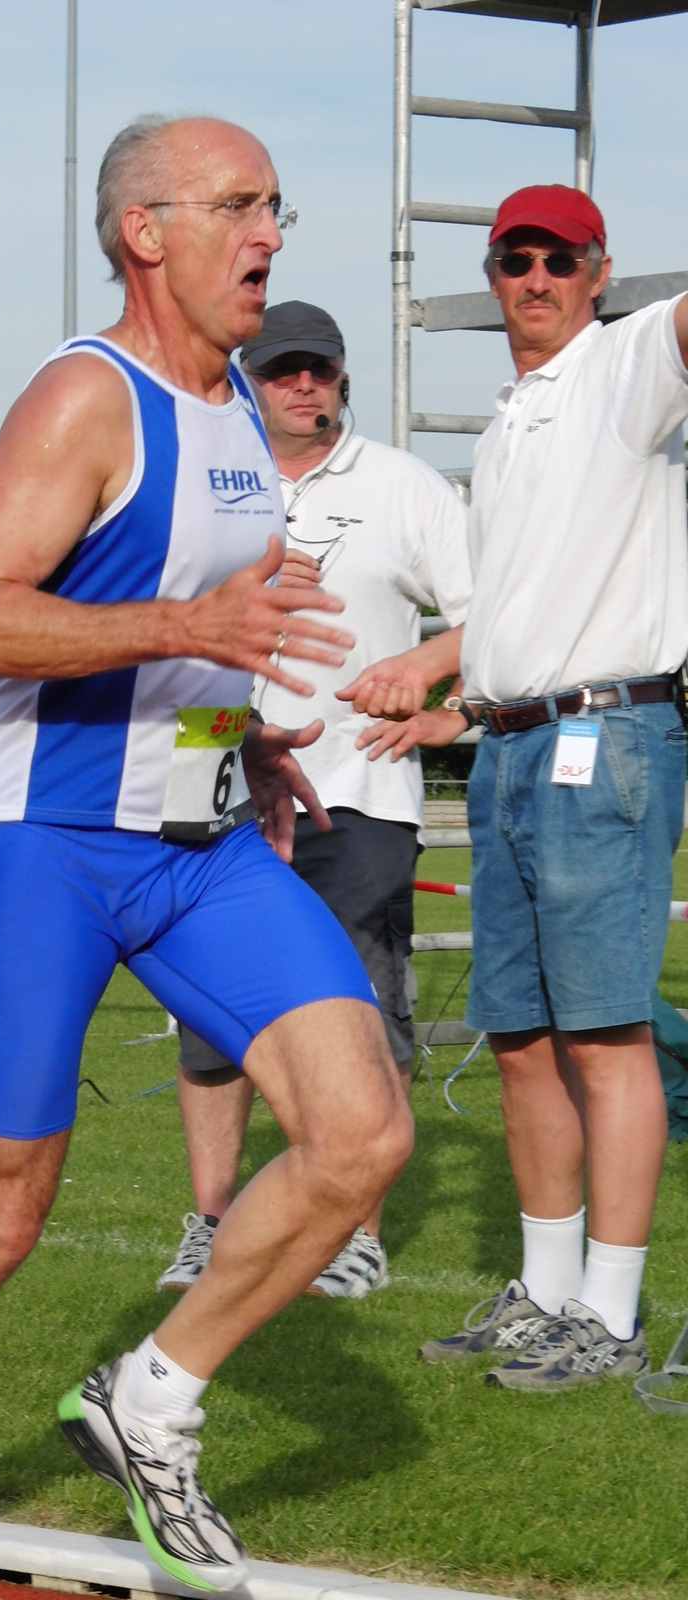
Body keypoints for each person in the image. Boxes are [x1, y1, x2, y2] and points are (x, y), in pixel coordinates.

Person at [0, 114, 414, 1600]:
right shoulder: (85, 397)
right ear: (145, 231)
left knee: (364, 1133)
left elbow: (207, 629)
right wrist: (192, 628)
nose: (269, 235)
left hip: (199, 846)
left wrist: (245, 734)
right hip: (49, 848)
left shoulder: (239, 407)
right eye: (237, 206)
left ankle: (152, 1398)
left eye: (277, 207)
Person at [371, 184, 688, 1391]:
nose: (538, 278)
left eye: (562, 258)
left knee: (606, 1035)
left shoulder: (626, 365)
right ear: (494, 276)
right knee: (520, 1039)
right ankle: (547, 1295)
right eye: (517, 258)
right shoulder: (511, 422)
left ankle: (610, 1313)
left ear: (601, 272)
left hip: (605, 737)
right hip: (508, 743)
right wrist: (451, 698)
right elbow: (512, 606)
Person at [159, 300, 471, 1302]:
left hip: (360, 789)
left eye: (320, 369)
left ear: (342, 379)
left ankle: (353, 1233)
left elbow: (490, 617)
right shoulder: (205, 483)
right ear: (247, 381)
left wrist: (428, 684)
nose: (304, 385)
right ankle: (211, 1226)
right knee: (210, 1016)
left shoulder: (406, 485)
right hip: (211, 778)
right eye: (282, 369)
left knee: (362, 1007)